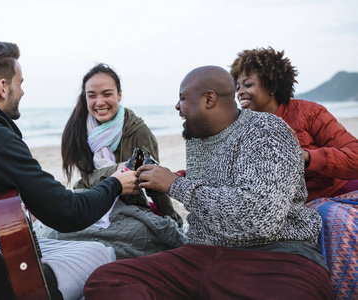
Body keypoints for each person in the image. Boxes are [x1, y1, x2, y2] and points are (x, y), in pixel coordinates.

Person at [0, 39, 138, 300]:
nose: (23, 91)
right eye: (20, 83)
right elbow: (69, 213)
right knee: (100, 252)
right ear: (2, 87)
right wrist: (116, 183)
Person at [83, 66, 333, 300]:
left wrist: (175, 185)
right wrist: (167, 179)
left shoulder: (266, 130)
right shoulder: (197, 140)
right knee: (106, 281)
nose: (177, 106)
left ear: (209, 100)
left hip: (274, 256)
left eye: (182, 98)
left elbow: (259, 219)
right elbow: (210, 196)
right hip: (201, 255)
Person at [230, 47, 358, 299]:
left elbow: (354, 156)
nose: (240, 92)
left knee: (331, 219)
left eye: (248, 84)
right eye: (237, 86)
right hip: (291, 209)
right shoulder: (239, 129)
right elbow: (219, 169)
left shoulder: (310, 113)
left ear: (272, 85)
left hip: (339, 192)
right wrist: (171, 176)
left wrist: (308, 156)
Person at [33, 63, 187, 259]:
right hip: (90, 199)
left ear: (119, 95)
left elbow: (154, 182)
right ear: (85, 97)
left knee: (145, 236)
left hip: (129, 204)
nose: (99, 102)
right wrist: (117, 171)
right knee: (50, 232)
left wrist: (173, 219)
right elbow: (87, 178)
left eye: (107, 94)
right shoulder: (79, 128)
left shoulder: (138, 130)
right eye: (92, 95)